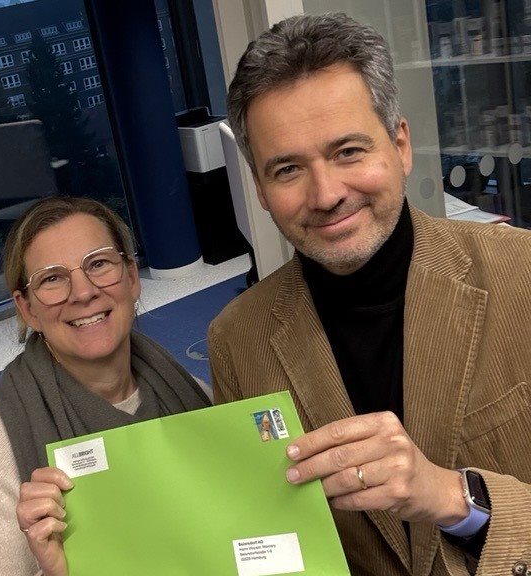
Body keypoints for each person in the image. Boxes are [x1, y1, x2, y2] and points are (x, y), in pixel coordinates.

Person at [209, 12, 531, 576]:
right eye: (287, 169)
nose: (327, 193)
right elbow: (263, 539)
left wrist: (458, 500)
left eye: (348, 152)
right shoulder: (238, 339)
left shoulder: (520, 274)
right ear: (260, 189)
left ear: (400, 144)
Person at [0, 197, 211, 576]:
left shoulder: (199, 397)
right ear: (28, 308)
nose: (83, 293)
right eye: (52, 278)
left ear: (132, 279)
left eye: (98, 264)